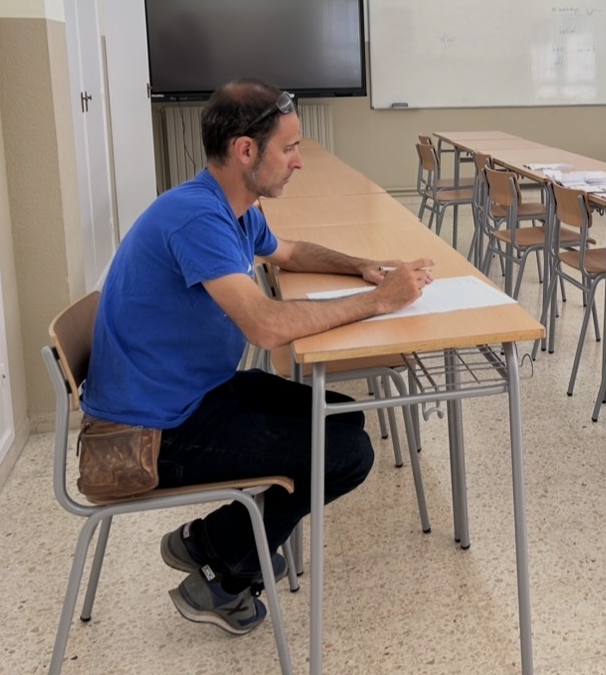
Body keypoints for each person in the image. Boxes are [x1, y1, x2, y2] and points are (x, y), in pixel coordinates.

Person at [82, 79, 435, 633]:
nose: (299, 161)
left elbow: (286, 251)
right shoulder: (198, 218)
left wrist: (361, 267)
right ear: (246, 150)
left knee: (345, 417)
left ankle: (210, 542)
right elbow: (267, 327)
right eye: (289, 148)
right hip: (150, 434)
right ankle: (221, 577)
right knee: (346, 453)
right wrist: (378, 301)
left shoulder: (232, 207)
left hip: (192, 394)